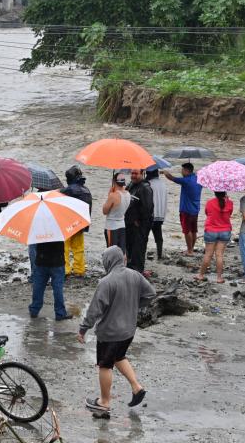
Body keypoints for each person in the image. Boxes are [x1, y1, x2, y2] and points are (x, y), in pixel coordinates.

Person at [78, 246, 156, 416]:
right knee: (119, 357)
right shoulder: (135, 275)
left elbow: (94, 310)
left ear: (108, 262)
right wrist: (135, 305)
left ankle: (104, 403)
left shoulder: (106, 282)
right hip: (128, 331)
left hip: (110, 333)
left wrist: (83, 329)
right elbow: (151, 294)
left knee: (105, 365)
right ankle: (137, 388)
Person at [60, 166, 92, 277]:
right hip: (82, 224)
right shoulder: (86, 190)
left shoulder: (69, 189)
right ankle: (79, 269)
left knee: (65, 248)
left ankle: (66, 269)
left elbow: (57, 197)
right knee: (78, 248)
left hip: (68, 224)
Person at [164, 163, 203, 256]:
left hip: (186, 210)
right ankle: (191, 249)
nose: (181, 172)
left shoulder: (186, 181)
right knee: (194, 230)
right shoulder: (199, 179)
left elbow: (172, 178)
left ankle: (189, 251)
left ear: (187, 170)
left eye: (182, 170)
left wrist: (165, 173)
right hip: (195, 210)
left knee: (187, 230)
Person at [195, 191, 233, 284]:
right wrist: (227, 199)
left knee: (208, 254)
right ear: (225, 193)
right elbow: (229, 214)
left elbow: (207, 213)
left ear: (215, 192)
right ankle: (219, 278)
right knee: (219, 255)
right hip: (225, 231)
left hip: (211, 230)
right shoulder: (230, 203)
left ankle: (201, 275)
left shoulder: (209, 202)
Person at [29, 240, 72, 321]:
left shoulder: (38, 228)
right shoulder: (60, 228)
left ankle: (34, 310)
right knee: (58, 288)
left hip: (41, 260)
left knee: (38, 286)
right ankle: (60, 313)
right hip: (57, 261)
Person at [125, 169, 153, 274]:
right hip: (129, 223)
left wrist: (139, 220)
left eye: (136, 174)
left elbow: (148, 208)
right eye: (132, 173)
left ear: (142, 174)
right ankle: (129, 268)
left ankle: (137, 271)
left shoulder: (145, 188)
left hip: (140, 224)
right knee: (129, 246)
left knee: (139, 247)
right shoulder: (131, 185)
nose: (133, 176)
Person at [103, 173, 130, 254]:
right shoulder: (128, 194)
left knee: (111, 252)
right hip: (122, 225)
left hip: (111, 227)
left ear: (114, 181)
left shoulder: (113, 196)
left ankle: (111, 266)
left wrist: (109, 196)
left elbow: (104, 211)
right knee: (121, 251)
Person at [145, 169, 167, 260]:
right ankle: (159, 255)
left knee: (144, 235)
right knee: (158, 235)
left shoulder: (148, 184)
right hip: (160, 214)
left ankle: (142, 252)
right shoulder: (163, 184)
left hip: (150, 214)